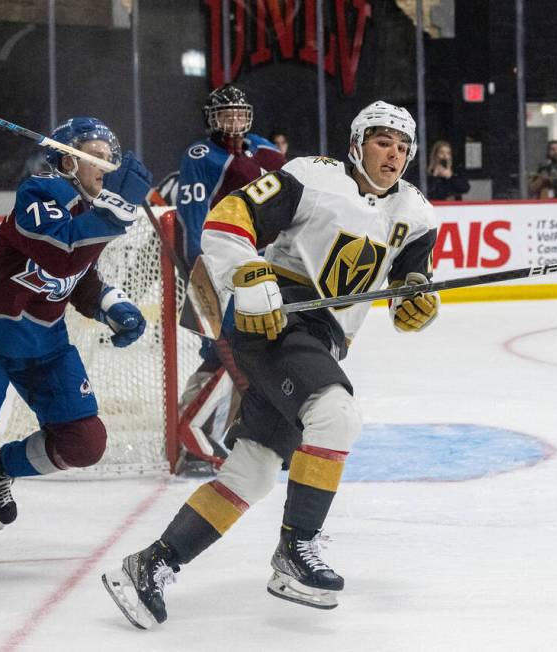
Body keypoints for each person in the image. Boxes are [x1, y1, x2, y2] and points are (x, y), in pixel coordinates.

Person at [101, 101, 439, 628]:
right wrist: (250, 272)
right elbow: (228, 218)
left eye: (401, 146)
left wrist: (415, 304)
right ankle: (296, 550)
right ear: (356, 144)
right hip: (273, 321)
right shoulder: (313, 177)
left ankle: (150, 564)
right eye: (381, 142)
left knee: (253, 472)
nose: (392, 154)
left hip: (321, 341)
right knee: (336, 415)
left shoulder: (415, 214)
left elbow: (408, 288)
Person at [0, 117, 153, 571]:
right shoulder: (40, 192)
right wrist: (119, 209)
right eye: (95, 153)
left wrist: (111, 305)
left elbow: (76, 274)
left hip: (44, 341)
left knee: (85, 442)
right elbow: (59, 251)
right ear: (65, 159)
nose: (107, 163)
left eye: (109, 155)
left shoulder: (95, 211)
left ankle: (0, 468)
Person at [175, 84, 285, 466]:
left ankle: (225, 432)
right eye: (226, 114)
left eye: (240, 112)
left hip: (259, 266)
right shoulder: (201, 156)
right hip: (218, 268)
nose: (234, 120)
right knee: (222, 352)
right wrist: (200, 265)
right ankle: (189, 434)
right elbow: (193, 215)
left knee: (251, 353)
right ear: (212, 118)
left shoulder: (266, 150)